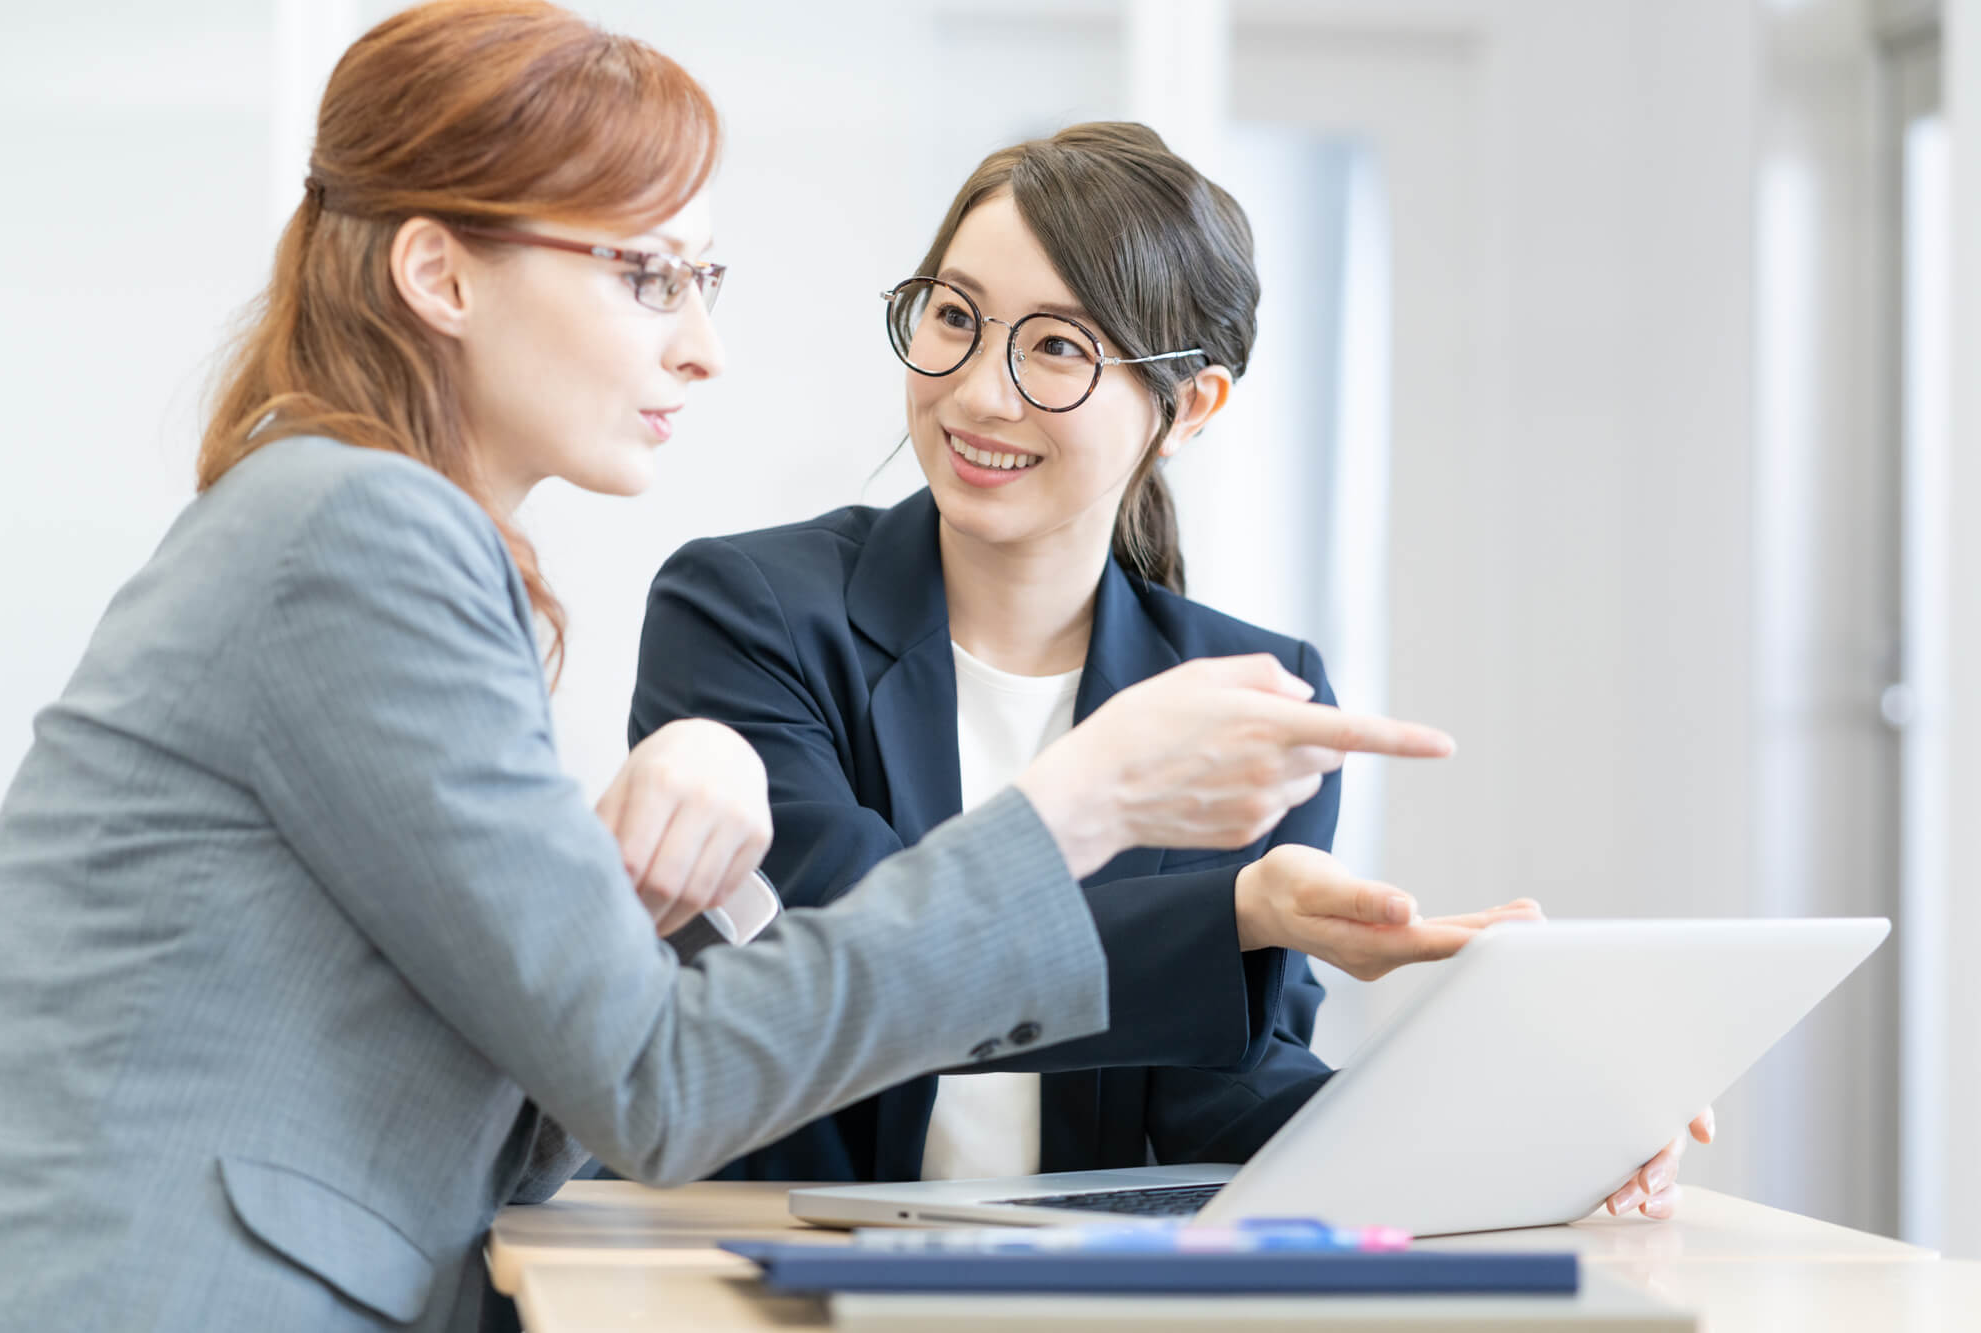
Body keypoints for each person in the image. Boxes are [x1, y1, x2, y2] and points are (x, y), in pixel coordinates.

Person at [0, 7, 1469, 1330]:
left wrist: (649, 882)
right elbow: (656, 1085)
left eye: (704, 279)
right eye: (648, 277)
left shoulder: (361, 527)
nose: (703, 350)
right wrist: (1084, 803)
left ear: (1187, 405)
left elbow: (554, 1065)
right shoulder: (365, 534)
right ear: (437, 273)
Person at [630, 122, 1709, 1212]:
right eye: (954, 317)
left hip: (1068, 1291)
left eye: (1056, 346)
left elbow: (1222, 1096)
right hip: (757, 1266)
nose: (976, 393)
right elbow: (859, 951)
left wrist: (1529, 1129)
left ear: (1189, 406)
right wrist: (1238, 911)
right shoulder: (746, 612)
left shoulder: (1248, 698)